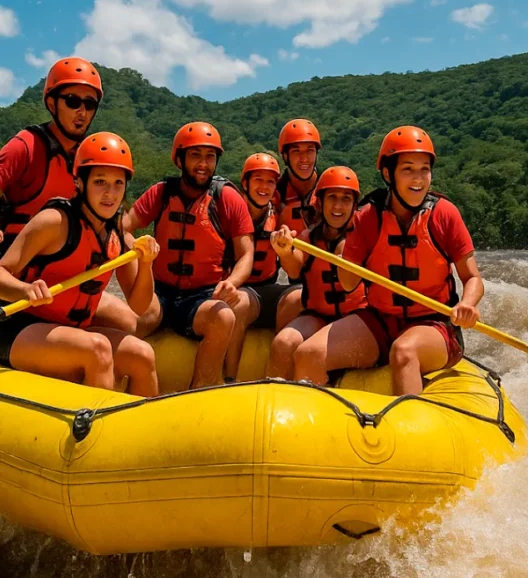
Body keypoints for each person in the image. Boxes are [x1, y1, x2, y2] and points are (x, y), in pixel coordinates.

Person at [300, 126, 482, 396]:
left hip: (436, 323)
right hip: (380, 322)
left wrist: (467, 304)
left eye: (424, 169)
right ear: (388, 174)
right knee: (309, 354)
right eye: (408, 169)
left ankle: (410, 421)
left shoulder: (444, 214)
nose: (418, 178)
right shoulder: (367, 217)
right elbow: (348, 284)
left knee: (404, 351)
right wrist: (350, 256)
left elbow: (472, 277)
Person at [0, 132, 159, 396]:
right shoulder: (54, 222)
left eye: (118, 183)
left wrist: (146, 265)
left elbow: (139, 306)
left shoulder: (117, 233)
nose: (109, 193)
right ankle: (97, 422)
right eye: (100, 182)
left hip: (71, 329)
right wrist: (24, 290)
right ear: (80, 183)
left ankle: (145, 422)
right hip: (19, 327)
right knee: (98, 350)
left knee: (142, 355)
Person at [0, 57, 138, 333]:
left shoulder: (89, 157)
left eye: (90, 104)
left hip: (63, 270)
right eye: (73, 101)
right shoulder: (25, 146)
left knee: (130, 320)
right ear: (52, 104)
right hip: (18, 271)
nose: (82, 112)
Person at [122, 122, 254, 389]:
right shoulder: (161, 192)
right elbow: (122, 227)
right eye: (195, 155)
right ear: (180, 159)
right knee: (126, 321)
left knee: (224, 317)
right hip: (159, 292)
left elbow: (246, 253)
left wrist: (233, 282)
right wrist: (137, 249)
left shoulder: (227, 198)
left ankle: (198, 391)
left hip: (202, 297)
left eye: (210, 156)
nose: (203, 164)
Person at [266, 166, 366, 380]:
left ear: (354, 205)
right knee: (283, 343)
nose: (338, 206)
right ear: (320, 202)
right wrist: (284, 252)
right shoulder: (309, 238)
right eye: (332, 198)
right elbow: (294, 268)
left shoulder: (364, 238)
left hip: (356, 318)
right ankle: (277, 397)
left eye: (346, 199)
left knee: (309, 352)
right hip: (319, 315)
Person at [224, 153, 302, 380]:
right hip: (240, 291)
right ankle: (229, 379)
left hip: (266, 289)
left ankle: (278, 377)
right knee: (239, 302)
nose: (264, 187)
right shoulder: (228, 212)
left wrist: (285, 251)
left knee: (298, 297)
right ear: (245, 183)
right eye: (258, 179)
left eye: (270, 182)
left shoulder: (278, 215)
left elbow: (294, 272)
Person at [275, 118, 320, 231]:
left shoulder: (328, 191)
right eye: (296, 151)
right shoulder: (274, 195)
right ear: (285, 156)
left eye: (310, 150)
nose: (304, 158)